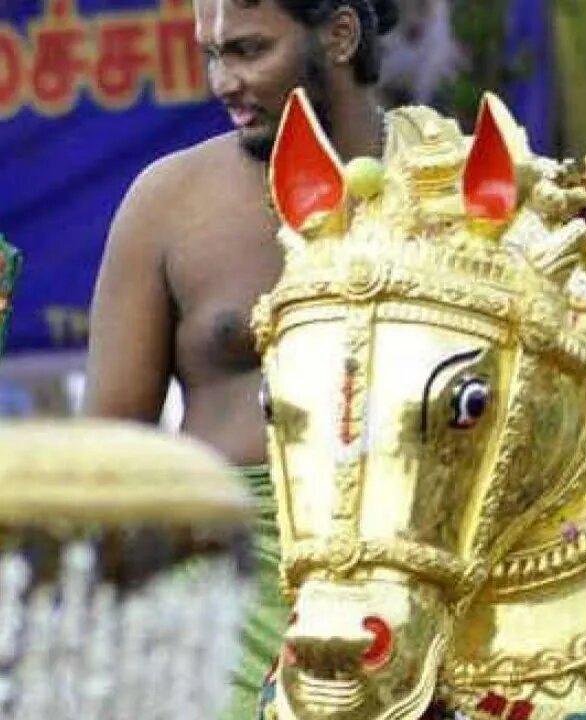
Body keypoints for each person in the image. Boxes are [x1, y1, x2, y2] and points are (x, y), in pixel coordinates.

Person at [84, 0, 399, 713]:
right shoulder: (167, 204)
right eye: (212, 55)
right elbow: (108, 456)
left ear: (341, 35)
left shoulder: (451, 187)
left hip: (415, 575)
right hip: (223, 590)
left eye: (249, 50)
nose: (223, 81)